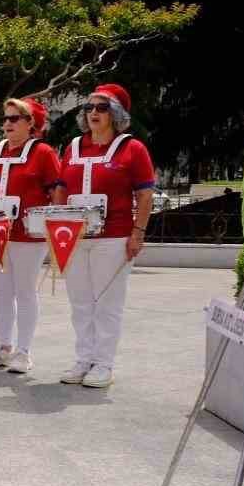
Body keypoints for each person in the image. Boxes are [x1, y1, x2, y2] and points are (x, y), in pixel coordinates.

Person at [58, 83, 155, 389]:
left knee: (107, 303)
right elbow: (61, 187)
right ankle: (84, 358)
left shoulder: (132, 149)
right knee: (80, 301)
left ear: (115, 114)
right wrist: (58, 222)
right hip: (74, 237)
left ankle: (104, 363)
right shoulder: (72, 147)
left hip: (113, 237)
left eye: (101, 108)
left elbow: (146, 195)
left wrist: (137, 232)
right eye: (88, 108)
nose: (93, 113)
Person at [0, 98, 64, 374]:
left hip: (28, 234)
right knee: (2, 292)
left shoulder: (44, 152)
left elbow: (57, 193)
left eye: (15, 118)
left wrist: (53, 222)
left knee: (25, 292)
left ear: (31, 124)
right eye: (6, 118)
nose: (8, 123)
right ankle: (4, 347)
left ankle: (24, 352)